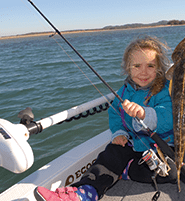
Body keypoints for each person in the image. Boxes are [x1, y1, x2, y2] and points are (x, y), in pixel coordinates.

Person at [34, 35, 176, 201]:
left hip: (158, 146)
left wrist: (145, 113)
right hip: (131, 143)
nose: (143, 72)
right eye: (137, 66)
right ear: (128, 68)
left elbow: (168, 117)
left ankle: (125, 169)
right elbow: (115, 115)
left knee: (172, 172)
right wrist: (119, 133)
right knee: (110, 155)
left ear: (159, 68)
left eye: (150, 66)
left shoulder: (165, 90)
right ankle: (84, 192)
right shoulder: (123, 92)